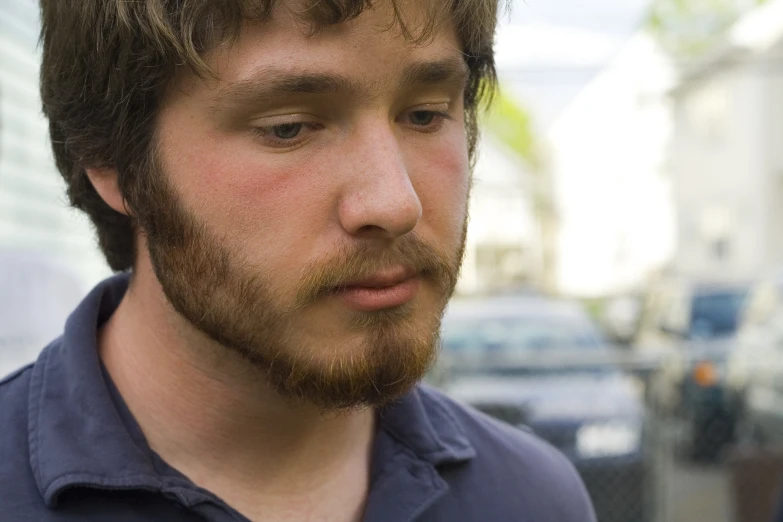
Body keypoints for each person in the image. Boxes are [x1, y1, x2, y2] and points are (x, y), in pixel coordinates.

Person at [0, 0, 597, 520]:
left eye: (425, 114)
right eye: (289, 127)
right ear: (109, 158)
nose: (395, 203)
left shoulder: (533, 499)